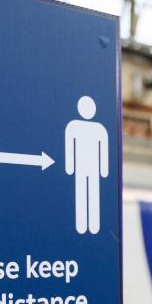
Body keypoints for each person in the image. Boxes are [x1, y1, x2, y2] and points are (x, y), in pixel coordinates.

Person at [65, 96, 109, 234]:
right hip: (82, 167)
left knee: (91, 194)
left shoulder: (99, 128)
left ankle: (93, 226)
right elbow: (69, 148)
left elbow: (103, 150)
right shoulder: (73, 126)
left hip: (90, 168)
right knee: (83, 194)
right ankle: (82, 226)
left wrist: (104, 170)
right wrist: (70, 167)